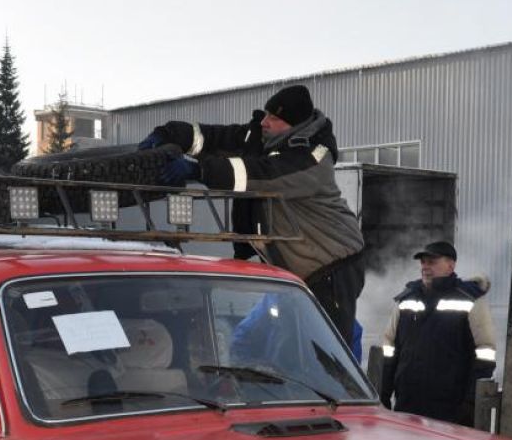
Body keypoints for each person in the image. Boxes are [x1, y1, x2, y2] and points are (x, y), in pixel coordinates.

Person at [138, 84, 365, 341]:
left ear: (294, 124)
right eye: (267, 113)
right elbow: (215, 139)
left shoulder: (313, 159)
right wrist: (170, 133)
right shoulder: (261, 138)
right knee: (285, 346)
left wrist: (199, 171)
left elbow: (262, 175)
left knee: (325, 349)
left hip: (332, 268)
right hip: (296, 271)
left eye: (274, 118)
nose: (265, 122)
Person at [379, 241, 497, 426]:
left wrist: (471, 402)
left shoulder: (470, 299)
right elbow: (389, 348)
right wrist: (383, 393)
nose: (425, 267)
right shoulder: (407, 298)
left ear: (451, 265)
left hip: (450, 410)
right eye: (423, 262)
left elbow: (485, 352)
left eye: (432, 262)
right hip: (407, 405)